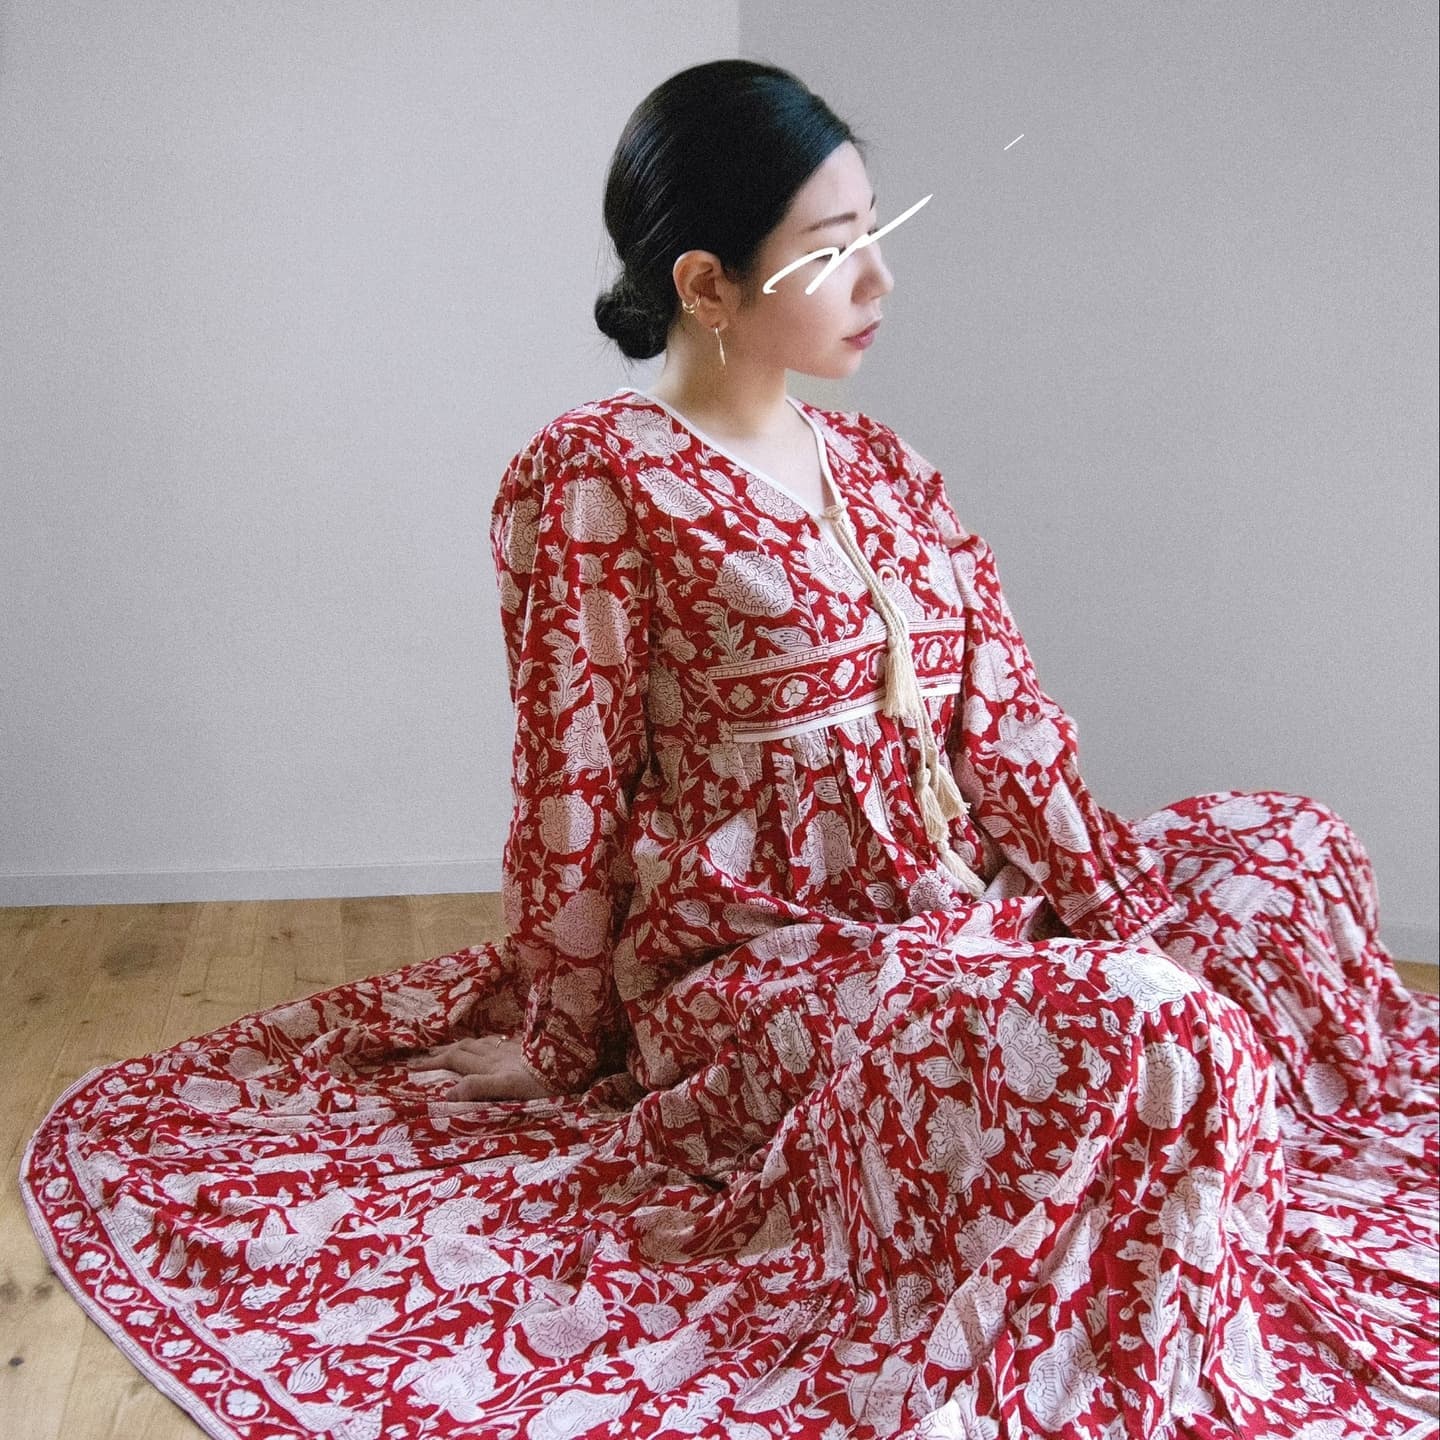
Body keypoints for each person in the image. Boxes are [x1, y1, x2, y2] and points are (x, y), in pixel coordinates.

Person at [23, 59, 1438, 1440]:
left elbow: (1005, 725)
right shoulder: (601, 476)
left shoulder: (885, 469)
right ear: (706, 284)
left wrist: (1119, 914)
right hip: (769, 963)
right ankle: (1144, 1077)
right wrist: (560, 1031)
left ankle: (1170, 1074)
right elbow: (571, 781)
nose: (879, 280)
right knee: (1150, 1030)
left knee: (1293, 856)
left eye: (876, 231)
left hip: (964, 913)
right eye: (832, 249)